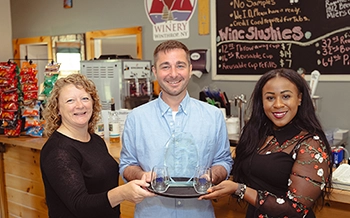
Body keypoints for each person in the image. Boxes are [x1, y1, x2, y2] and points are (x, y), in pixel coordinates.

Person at [119, 40, 233, 218]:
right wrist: (141, 175)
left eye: (180, 65)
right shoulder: (136, 118)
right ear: (155, 72)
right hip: (152, 213)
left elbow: (224, 160)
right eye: (165, 66)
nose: (173, 74)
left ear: (189, 69)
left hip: (199, 213)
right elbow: (127, 164)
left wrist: (213, 175)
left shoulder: (214, 116)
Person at [199, 68, 332, 218]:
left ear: (299, 98)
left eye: (286, 96)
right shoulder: (258, 135)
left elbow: (295, 209)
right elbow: (242, 173)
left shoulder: (310, 144)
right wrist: (215, 176)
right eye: (270, 98)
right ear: (261, 101)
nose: (278, 104)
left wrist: (239, 190)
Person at [40, 74, 155, 218]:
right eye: (70, 100)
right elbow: (79, 205)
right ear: (57, 108)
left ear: (93, 103)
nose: (80, 105)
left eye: (85, 98)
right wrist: (123, 193)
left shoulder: (95, 140)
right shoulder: (57, 151)